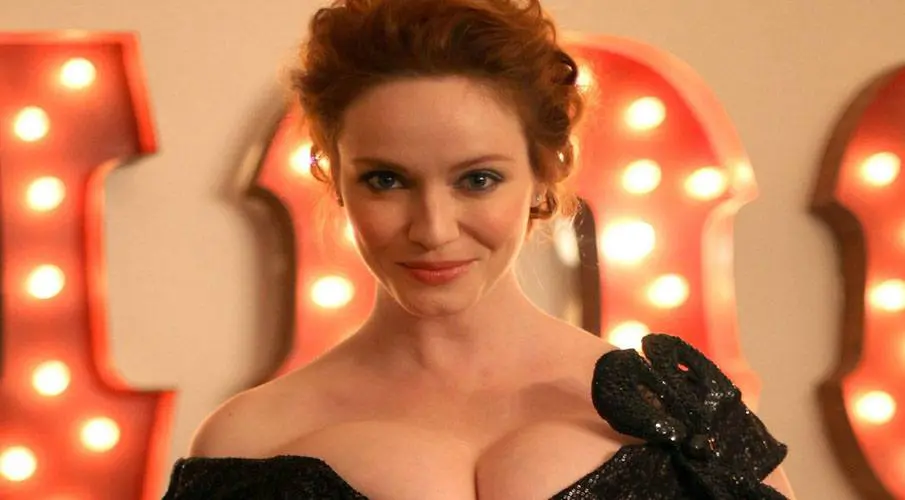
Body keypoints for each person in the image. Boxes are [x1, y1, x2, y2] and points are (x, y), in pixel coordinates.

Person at [162, 0, 796, 498]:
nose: (433, 229)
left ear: (547, 170)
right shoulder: (249, 439)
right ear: (332, 175)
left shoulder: (679, 419)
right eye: (386, 180)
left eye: (478, 179)